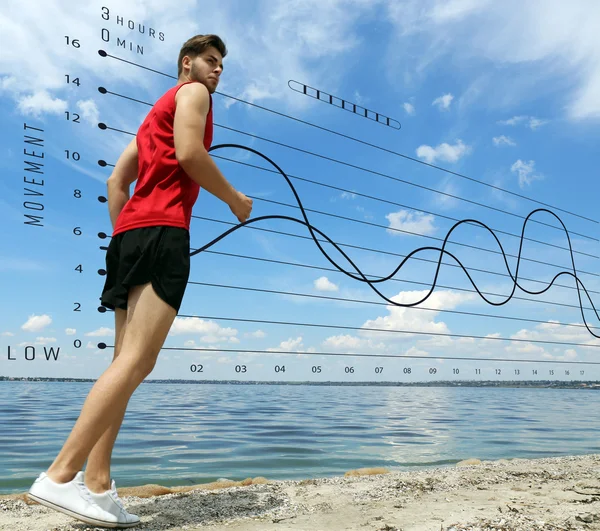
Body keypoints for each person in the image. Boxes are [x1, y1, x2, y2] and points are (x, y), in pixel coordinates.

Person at [27, 34, 252, 528]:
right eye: (210, 62)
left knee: (123, 364)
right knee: (138, 361)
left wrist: (127, 229)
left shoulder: (153, 115)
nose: (217, 72)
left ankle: (99, 484)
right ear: (186, 63)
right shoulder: (194, 95)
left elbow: (116, 183)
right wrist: (235, 199)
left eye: (221, 66)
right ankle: (60, 475)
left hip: (130, 235)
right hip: (164, 233)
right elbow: (191, 154)